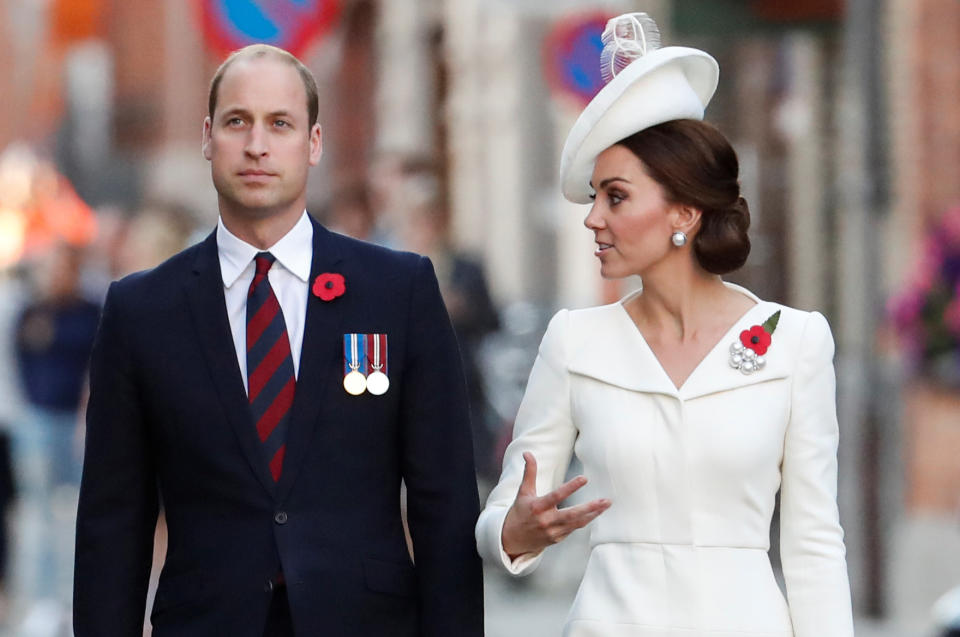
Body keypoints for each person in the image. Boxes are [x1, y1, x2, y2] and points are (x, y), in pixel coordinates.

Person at [74, 44, 483, 637]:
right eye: (238, 121)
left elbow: (444, 503)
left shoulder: (398, 291)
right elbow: (114, 523)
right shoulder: (141, 310)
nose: (257, 145)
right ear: (208, 137)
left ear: (313, 143)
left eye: (280, 124)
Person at [476, 13, 854, 637]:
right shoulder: (575, 341)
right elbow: (504, 518)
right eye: (594, 196)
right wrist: (513, 533)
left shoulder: (796, 341)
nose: (593, 218)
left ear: (684, 209)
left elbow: (815, 543)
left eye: (615, 196)